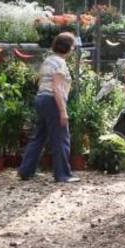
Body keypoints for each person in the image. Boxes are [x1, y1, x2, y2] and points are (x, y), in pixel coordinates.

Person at [18, 33, 79, 183]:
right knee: (61, 137)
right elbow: (56, 88)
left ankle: (26, 171)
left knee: (39, 136)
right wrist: (63, 111)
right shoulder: (60, 63)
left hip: (41, 99)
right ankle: (63, 175)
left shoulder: (48, 61)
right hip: (52, 100)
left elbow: (41, 83)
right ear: (67, 48)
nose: (73, 49)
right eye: (72, 46)